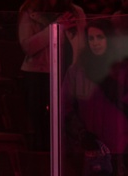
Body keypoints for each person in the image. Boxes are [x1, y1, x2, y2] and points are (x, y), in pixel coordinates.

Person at [62, 17, 128, 176]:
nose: (95, 42)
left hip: (119, 149)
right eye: (91, 38)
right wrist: (80, 134)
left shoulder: (127, 70)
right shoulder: (76, 71)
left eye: (100, 37)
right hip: (88, 148)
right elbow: (65, 107)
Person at [17, 0, 85, 151]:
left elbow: (81, 46)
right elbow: (28, 47)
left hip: (67, 73)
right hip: (38, 74)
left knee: (65, 123)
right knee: (41, 128)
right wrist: (56, 28)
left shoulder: (76, 11)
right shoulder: (29, 9)